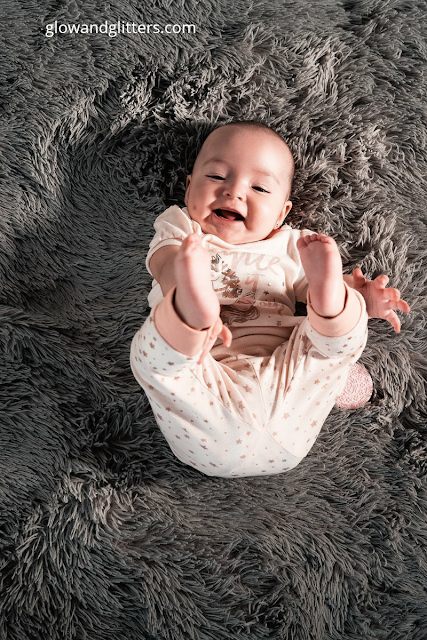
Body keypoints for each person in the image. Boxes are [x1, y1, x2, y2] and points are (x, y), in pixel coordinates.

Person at [130, 120, 411, 478]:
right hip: (210, 385)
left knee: (331, 342)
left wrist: (353, 295)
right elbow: (164, 262)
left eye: (260, 187)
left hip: (288, 382)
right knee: (156, 360)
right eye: (216, 177)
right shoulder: (184, 228)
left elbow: (305, 292)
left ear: (281, 213)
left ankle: (338, 304)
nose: (234, 192)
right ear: (189, 189)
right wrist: (181, 282)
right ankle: (189, 311)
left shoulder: (293, 246)